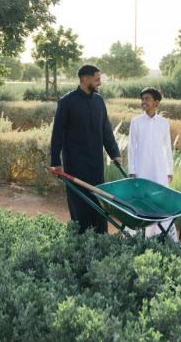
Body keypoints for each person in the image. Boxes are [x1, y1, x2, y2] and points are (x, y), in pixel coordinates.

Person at [50, 65, 121, 234]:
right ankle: (81, 240)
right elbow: (57, 134)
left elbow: (106, 130)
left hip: (96, 163)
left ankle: (101, 237)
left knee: (98, 200)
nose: (99, 83)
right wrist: (55, 162)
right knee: (80, 203)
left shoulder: (99, 101)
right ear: (85, 79)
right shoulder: (66, 102)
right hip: (75, 163)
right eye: (97, 79)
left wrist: (115, 153)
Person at [127, 87, 178, 241]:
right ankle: (138, 236)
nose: (143, 102)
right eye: (142, 99)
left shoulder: (163, 123)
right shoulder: (136, 121)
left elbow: (167, 148)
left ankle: (163, 234)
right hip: (141, 168)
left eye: (147, 99)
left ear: (156, 102)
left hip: (159, 169)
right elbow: (131, 146)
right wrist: (132, 169)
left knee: (160, 200)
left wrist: (169, 170)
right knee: (142, 199)